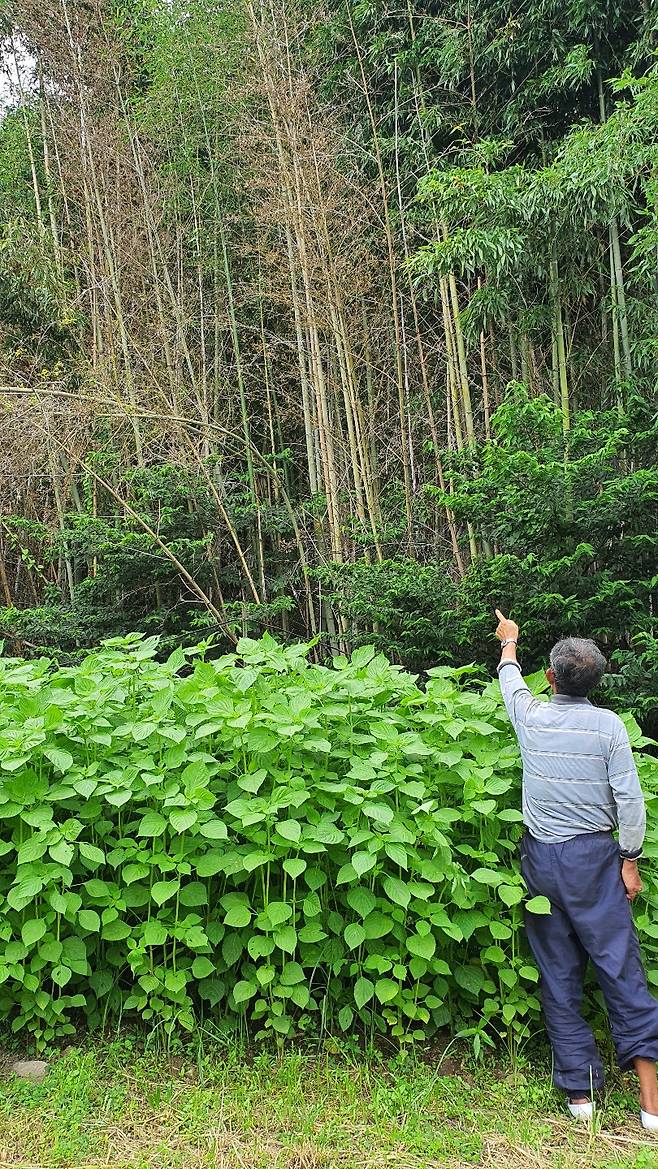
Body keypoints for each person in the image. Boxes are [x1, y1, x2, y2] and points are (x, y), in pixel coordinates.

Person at [494, 609, 658, 1129]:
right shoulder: (608, 725)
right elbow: (630, 801)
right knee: (620, 968)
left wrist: (510, 642)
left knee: (558, 972)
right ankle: (652, 1104)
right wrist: (629, 860)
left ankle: (580, 1095)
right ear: (596, 683)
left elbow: (509, 683)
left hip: (541, 860)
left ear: (552, 678)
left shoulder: (533, 717)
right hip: (594, 860)